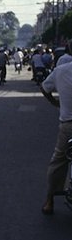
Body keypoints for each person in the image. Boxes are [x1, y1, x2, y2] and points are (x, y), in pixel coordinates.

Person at [40, 52, 72, 215]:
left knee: (58, 161)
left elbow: (44, 88)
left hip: (68, 124)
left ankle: (49, 200)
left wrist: (54, 102)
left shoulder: (60, 71)